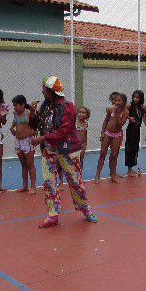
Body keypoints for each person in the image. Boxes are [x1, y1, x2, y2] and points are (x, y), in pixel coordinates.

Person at [31, 75, 98, 228]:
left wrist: (42, 139)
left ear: (51, 91)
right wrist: (34, 112)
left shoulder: (67, 106)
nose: (42, 91)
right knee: (49, 182)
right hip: (49, 150)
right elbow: (34, 125)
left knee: (75, 181)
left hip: (67, 150)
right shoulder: (44, 105)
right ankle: (52, 214)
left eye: (44, 88)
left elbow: (63, 131)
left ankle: (86, 209)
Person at [94, 93, 129, 183]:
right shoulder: (110, 109)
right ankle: (97, 175)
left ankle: (113, 176)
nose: (116, 102)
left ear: (123, 102)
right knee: (102, 154)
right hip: (107, 133)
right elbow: (106, 120)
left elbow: (120, 124)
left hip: (116, 135)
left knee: (114, 155)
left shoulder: (126, 112)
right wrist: (102, 133)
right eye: (115, 100)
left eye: (119, 101)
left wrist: (117, 114)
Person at [10, 95, 37, 195]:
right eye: (14, 106)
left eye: (16, 105)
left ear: (22, 105)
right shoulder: (15, 113)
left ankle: (33, 186)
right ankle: (25, 186)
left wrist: (34, 132)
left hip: (27, 141)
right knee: (23, 165)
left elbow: (35, 124)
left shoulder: (29, 113)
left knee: (30, 164)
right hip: (18, 141)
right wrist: (12, 128)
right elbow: (14, 123)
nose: (14, 107)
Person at [125, 90, 146, 177]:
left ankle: (131, 169)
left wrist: (145, 109)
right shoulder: (129, 106)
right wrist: (129, 118)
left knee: (135, 149)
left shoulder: (141, 107)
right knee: (130, 149)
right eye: (134, 97)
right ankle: (129, 170)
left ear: (141, 98)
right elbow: (122, 113)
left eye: (137, 97)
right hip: (131, 130)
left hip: (137, 130)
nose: (135, 99)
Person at [76, 106, 90, 170]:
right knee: (74, 160)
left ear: (87, 115)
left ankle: (80, 175)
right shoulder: (74, 123)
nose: (81, 114)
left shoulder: (86, 123)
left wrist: (85, 144)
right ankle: (74, 176)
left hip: (82, 145)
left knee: (81, 160)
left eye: (83, 113)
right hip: (74, 145)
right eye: (80, 112)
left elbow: (85, 134)